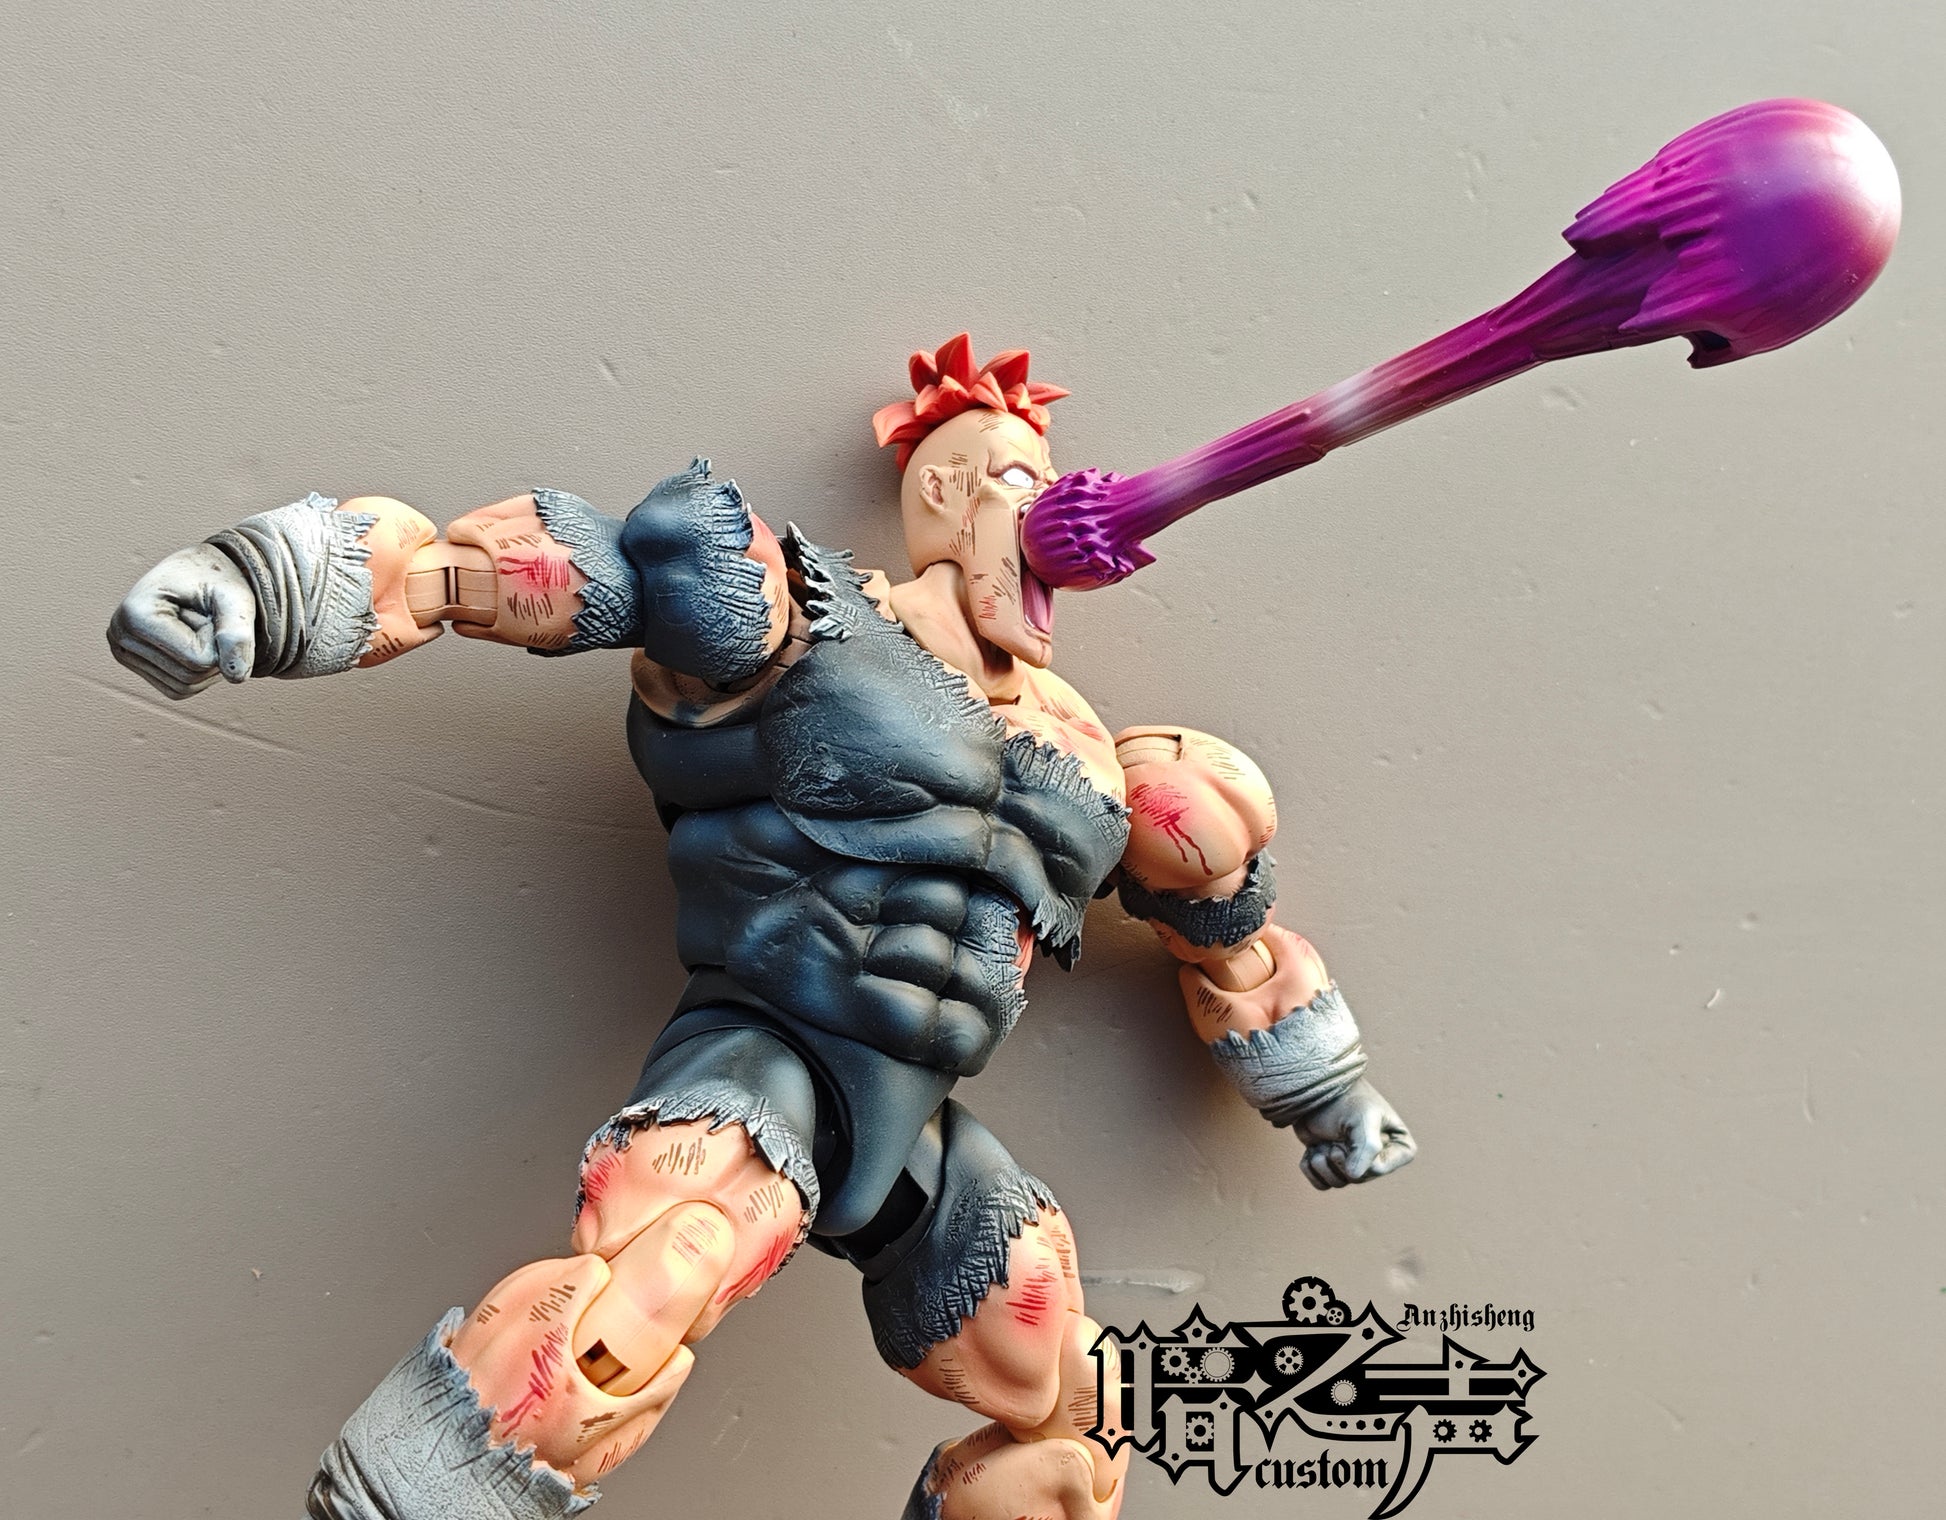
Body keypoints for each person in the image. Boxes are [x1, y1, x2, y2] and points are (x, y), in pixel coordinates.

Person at [107, 333, 1415, 1520]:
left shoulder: (1099, 763)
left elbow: (1231, 941)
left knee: (1074, 1420)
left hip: (918, 1124)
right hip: (765, 1051)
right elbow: (486, 573)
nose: (1050, 507)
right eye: (1013, 479)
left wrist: (1326, 1095)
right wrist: (262, 585)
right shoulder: (804, 619)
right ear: (944, 494)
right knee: (638, 1301)